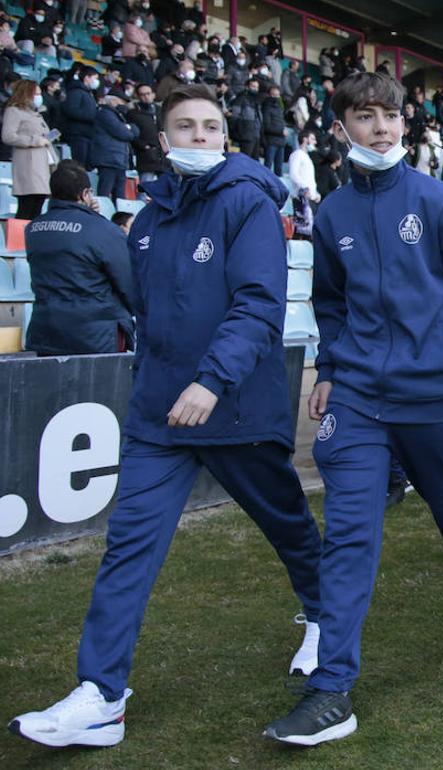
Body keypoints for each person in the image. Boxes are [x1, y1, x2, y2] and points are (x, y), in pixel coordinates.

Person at [8, 84, 323, 750]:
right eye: (187, 126)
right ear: (164, 138)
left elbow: (261, 304)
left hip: (234, 409)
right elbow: (146, 316)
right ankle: (100, 695)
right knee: (128, 548)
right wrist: (156, 385)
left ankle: (325, 621)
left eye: (212, 126)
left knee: (289, 529)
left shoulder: (250, 204)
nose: (201, 136)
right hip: (159, 419)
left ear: (225, 138)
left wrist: (212, 379)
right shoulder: (148, 220)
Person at [263, 73, 443, 746]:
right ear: (340, 127)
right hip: (361, 400)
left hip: (434, 395)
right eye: (365, 116)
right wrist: (334, 369)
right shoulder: (333, 212)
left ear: (404, 123)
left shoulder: (440, 201)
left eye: (390, 115)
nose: (380, 127)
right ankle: (332, 690)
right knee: (347, 535)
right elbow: (332, 302)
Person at [23, 160, 134, 355]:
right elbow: (128, 284)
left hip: (45, 330)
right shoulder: (104, 230)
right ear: (84, 194)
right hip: (96, 335)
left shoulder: (33, 228)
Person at [1, 78, 54, 219]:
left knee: (37, 207)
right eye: (36, 93)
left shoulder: (36, 114)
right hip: (28, 166)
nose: (39, 97)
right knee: (27, 207)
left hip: (42, 166)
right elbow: (8, 136)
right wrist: (35, 140)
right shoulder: (14, 111)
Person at [91, 86, 139, 202]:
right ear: (112, 100)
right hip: (108, 160)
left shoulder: (118, 116)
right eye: (121, 102)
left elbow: (135, 130)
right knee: (104, 194)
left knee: (119, 196)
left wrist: (130, 128)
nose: (124, 105)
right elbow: (125, 134)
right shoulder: (105, 114)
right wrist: (129, 129)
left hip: (118, 161)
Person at [61, 67, 98, 168]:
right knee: (78, 166)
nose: (97, 82)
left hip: (87, 135)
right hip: (78, 135)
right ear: (87, 77)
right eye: (95, 78)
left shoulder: (89, 94)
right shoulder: (76, 92)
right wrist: (92, 116)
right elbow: (71, 110)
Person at [127, 83, 163, 182]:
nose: (146, 97)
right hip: (146, 158)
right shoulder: (133, 114)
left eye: (148, 93)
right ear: (138, 97)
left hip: (164, 160)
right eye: (142, 95)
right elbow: (131, 135)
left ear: (153, 94)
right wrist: (144, 146)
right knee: (146, 190)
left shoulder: (161, 111)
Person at [288, 127, 319, 204]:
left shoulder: (307, 157)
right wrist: (305, 188)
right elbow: (293, 175)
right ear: (305, 139)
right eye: (312, 139)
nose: (315, 142)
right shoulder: (297, 154)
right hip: (301, 197)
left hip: (310, 198)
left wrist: (315, 194)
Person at [260, 83, 285, 176]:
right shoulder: (266, 107)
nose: (276, 97)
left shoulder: (280, 107)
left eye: (277, 95)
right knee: (268, 167)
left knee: (279, 169)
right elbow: (266, 127)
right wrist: (281, 131)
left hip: (280, 141)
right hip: (271, 141)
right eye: (273, 95)